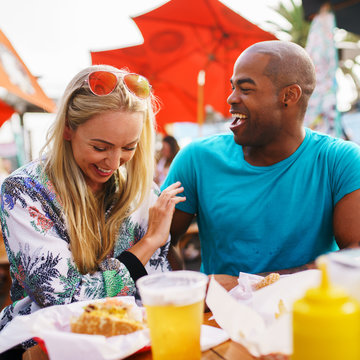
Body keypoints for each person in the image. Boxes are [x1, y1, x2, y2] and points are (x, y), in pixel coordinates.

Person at [0, 65, 185, 349]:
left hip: (131, 341)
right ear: (67, 129)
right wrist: (148, 244)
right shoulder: (23, 191)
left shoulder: (143, 190)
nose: (113, 163)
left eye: (128, 148)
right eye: (100, 147)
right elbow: (66, 300)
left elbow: (156, 286)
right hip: (45, 346)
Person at [162, 40, 360, 291]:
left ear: (289, 96)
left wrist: (248, 285)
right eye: (233, 87)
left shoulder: (340, 160)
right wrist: (186, 296)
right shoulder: (197, 158)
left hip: (307, 314)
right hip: (218, 324)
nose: (231, 98)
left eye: (245, 89)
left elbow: (356, 254)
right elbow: (161, 244)